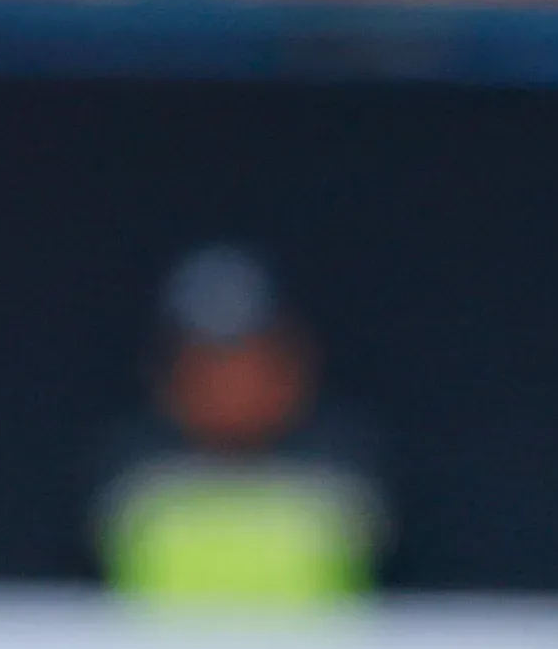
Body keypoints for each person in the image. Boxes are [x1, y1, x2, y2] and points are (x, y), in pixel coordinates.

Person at [92, 246, 388, 615]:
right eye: (206, 366)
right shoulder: (134, 481)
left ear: (291, 367)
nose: (229, 385)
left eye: (246, 363)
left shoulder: (344, 478)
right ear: (168, 377)